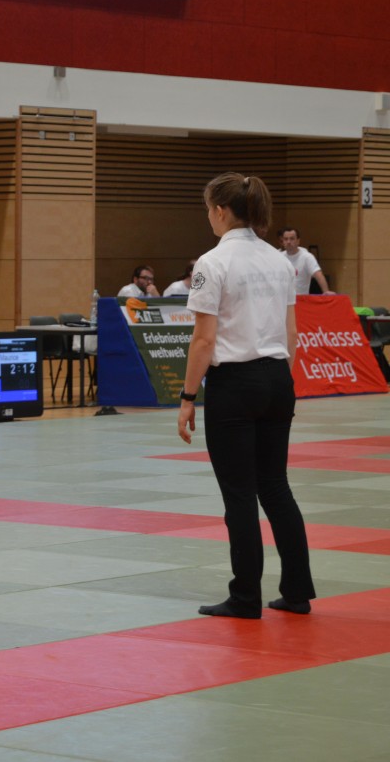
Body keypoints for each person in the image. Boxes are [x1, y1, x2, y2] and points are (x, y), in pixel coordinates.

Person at [177, 172, 315, 619]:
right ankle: (297, 592)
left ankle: (245, 597)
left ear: (220, 211)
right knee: (275, 486)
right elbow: (292, 333)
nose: (208, 217)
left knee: (239, 494)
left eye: (208, 209)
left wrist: (187, 396)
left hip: (234, 384)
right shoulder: (280, 260)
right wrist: (278, 382)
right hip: (277, 376)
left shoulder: (211, 262)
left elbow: (203, 341)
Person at [278, 227, 334, 295]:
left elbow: (318, 275)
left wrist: (326, 291)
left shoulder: (307, 257)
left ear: (298, 241)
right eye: (286, 239)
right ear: (283, 241)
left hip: (300, 298)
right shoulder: (279, 257)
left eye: (292, 239)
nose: (288, 242)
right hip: (282, 298)